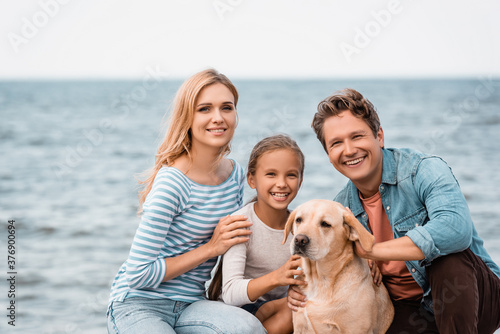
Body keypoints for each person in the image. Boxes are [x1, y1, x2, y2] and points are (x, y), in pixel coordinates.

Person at [288, 88, 500, 333]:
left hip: (476, 297)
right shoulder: (338, 212)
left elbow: (455, 230)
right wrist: (300, 287)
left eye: (357, 136)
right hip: (408, 307)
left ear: (379, 136)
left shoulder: (422, 170)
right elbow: (327, 263)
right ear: (329, 155)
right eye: (336, 143)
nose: (348, 150)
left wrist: (373, 250)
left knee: (448, 260)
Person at [106, 69, 266, 334]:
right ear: (187, 117)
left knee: (248, 328)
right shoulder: (173, 183)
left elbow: (237, 247)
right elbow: (138, 274)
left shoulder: (235, 176)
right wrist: (210, 248)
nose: (218, 118)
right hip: (138, 303)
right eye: (205, 109)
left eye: (227, 107)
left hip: (192, 304)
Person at [208, 134, 307, 334]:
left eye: (291, 175)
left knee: (304, 307)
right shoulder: (241, 223)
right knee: (291, 313)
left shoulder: (301, 228)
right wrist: (278, 277)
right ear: (252, 180)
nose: (281, 183)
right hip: (234, 313)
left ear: (300, 180)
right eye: (271, 174)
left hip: (276, 308)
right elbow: (230, 293)